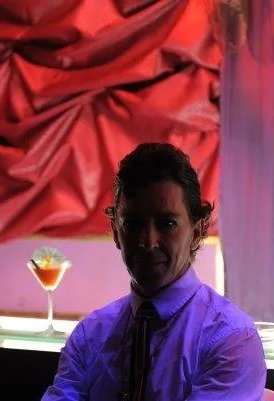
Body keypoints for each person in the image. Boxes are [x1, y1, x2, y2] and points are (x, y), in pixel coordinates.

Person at [41, 143, 266, 401]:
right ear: (116, 232)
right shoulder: (89, 335)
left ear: (197, 232)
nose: (147, 242)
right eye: (132, 224)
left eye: (167, 223)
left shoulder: (231, 339)